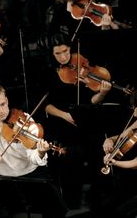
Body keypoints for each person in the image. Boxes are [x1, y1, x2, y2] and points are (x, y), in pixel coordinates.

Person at [43, 32, 112, 208]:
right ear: (52, 54)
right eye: (58, 53)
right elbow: (46, 106)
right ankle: (71, 199)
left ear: (70, 49)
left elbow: (92, 101)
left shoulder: (81, 67)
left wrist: (102, 93)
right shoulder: (48, 73)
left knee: (97, 147)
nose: (63, 57)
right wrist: (65, 115)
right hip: (61, 120)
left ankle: (98, 196)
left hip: (84, 118)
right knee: (68, 155)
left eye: (65, 51)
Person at [97, 108, 137, 218]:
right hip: (128, 177)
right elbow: (123, 136)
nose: (134, 111)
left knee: (118, 210)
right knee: (103, 204)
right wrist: (110, 139)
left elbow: (135, 163)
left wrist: (114, 162)